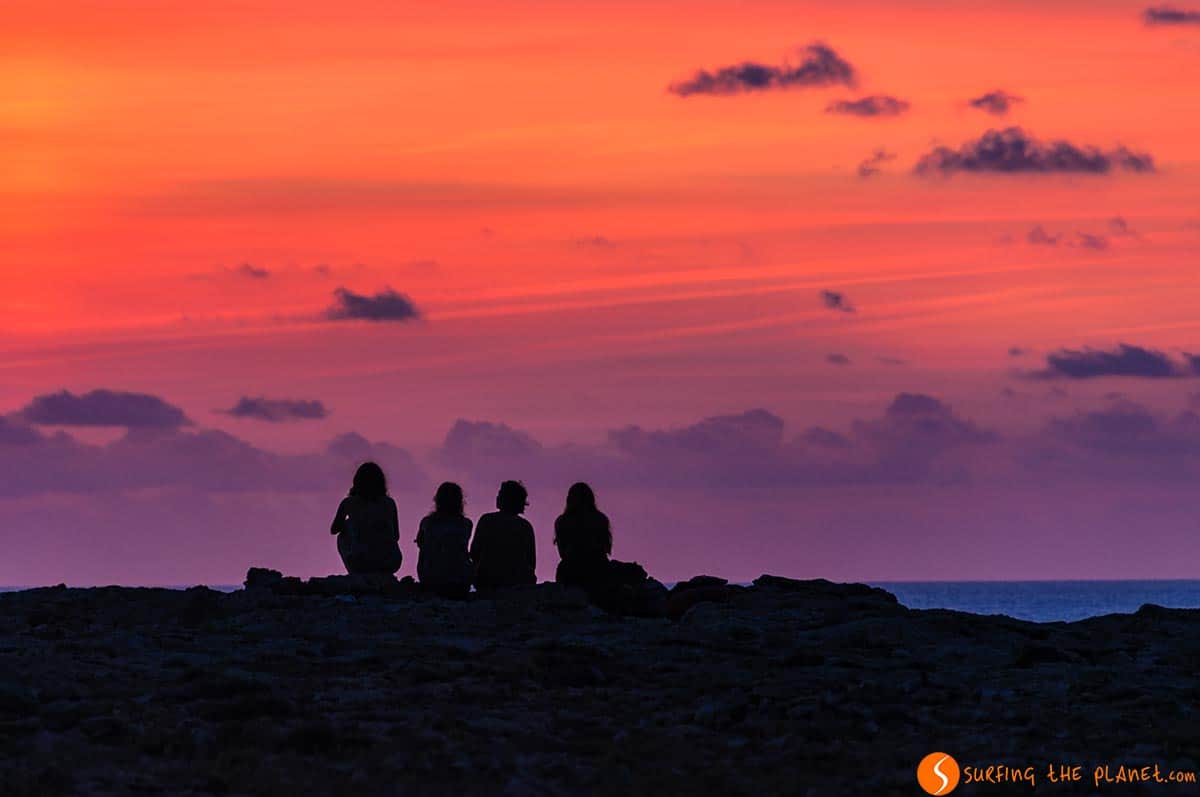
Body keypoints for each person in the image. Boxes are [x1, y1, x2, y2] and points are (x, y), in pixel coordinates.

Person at [329, 462, 402, 575]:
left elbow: (334, 530)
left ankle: (354, 572)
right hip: (390, 562)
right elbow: (396, 536)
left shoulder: (348, 503)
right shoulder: (389, 503)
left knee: (343, 533)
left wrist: (351, 524)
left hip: (361, 562)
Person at [469, 480, 536, 593]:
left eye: (501, 494)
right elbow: (531, 562)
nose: (497, 497)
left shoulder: (487, 520)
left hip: (487, 581)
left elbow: (474, 552)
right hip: (518, 582)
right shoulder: (525, 526)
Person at [415, 482, 473, 599]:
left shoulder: (427, 523)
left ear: (437, 500)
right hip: (460, 582)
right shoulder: (466, 524)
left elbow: (421, 545)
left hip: (431, 580)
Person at [553, 482, 613, 594]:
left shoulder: (563, 521)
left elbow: (563, 553)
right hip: (599, 571)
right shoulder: (600, 519)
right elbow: (606, 548)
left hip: (570, 573)